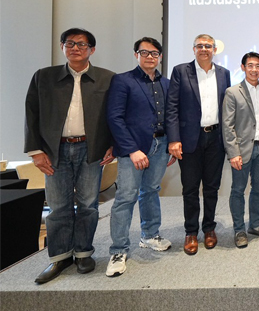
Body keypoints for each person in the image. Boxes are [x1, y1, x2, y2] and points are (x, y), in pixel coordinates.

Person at [25, 28, 115, 284]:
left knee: (88, 204)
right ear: (62, 46)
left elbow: (115, 115)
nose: (76, 48)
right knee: (58, 206)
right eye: (70, 43)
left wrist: (113, 145)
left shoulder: (107, 78)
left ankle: (84, 253)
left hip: (91, 150)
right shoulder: (44, 77)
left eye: (82, 44)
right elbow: (31, 114)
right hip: (55, 151)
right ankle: (60, 257)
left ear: (92, 50)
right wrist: (36, 151)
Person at [105, 37, 176, 277]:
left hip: (161, 144)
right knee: (126, 197)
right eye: (144, 52)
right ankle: (118, 250)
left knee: (151, 190)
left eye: (154, 53)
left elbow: (172, 116)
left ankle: (149, 234)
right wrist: (132, 150)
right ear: (136, 54)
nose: (149, 57)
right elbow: (115, 117)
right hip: (134, 148)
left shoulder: (167, 83)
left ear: (160, 57)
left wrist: (172, 144)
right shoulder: (123, 80)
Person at [165, 34, 231, 255]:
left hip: (216, 138)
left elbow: (227, 108)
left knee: (212, 187)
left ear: (214, 49)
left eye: (208, 46)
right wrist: (174, 139)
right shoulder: (180, 71)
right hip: (189, 139)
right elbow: (172, 107)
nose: (204, 49)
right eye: (200, 46)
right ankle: (191, 232)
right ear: (194, 49)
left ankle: (209, 228)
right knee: (190, 188)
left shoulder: (223, 73)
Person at [222, 52, 259, 248]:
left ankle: (255, 224)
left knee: (258, 188)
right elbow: (227, 125)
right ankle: (239, 229)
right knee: (238, 190)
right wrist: (233, 153)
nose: (254, 69)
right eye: (250, 65)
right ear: (243, 67)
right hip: (242, 149)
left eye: (258, 66)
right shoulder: (232, 92)